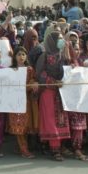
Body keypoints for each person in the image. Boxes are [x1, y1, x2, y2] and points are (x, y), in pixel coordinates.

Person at [35, 31, 70, 161]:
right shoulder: (44, 56)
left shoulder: (63, 55)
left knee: (61, 119)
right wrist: (54, 82)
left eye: (62, 38)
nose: (62, 41)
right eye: (59, 39)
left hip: (62, 92)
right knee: (50, 119)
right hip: (48, 92)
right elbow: (40, 74)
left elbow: (70, 71)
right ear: (52, 42)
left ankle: (59, 146)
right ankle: (55, 149)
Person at [7, 47, 38, 159]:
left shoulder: (29, 69)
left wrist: (34, 84)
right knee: (18, 126)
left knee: (25, 126)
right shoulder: (10, 70)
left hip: (26, 102)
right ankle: (24, 149)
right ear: (14, 56)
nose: (21, 57)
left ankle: (21, 147)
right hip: (14, 102)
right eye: (19, 54)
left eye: (23, 54)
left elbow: (33, 80)